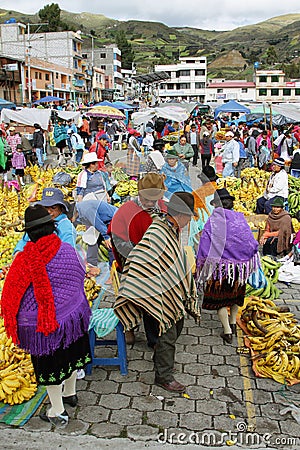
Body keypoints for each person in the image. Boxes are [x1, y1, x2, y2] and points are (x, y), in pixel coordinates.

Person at [1, 204, 91, 427]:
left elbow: (12, 294)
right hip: (72, 319)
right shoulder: (67, 250)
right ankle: (70, 394)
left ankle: (57, 411)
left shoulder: (24, 260)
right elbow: (80, 275)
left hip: (46, 326)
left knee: (51, 364)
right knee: (71, 357)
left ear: (29, 234)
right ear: (53, 227)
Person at [114, 192, 201, 392]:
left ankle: (162, 358)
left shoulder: (170, 228)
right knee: (169, 329)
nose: (189, 221)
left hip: (166, 286)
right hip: (156, 288)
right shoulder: (159, 231)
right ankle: (163, 376)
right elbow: (139, 255)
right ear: (182, 215)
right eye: (190, 217)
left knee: (176, 325)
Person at [109, 173, 167, 345]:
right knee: (130, 298)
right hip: (131, 262)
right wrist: (137, 257)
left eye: (154, 200)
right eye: (147, 199)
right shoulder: (126, 210)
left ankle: (154, 337)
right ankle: (129, 327)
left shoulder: (163, 208)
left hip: (156, 264)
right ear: (140, 194)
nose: (150, 203)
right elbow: (117, 239)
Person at [196, 188, 259, 344]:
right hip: (238, 269)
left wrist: (202, 263)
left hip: (220, 269)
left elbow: (205, 243)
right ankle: (232, 322)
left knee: (220, 300)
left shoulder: (214, 220)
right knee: (235, 296)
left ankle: (227, 331)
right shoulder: (240, 218)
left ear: (217, 205)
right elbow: (250, 241)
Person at [14, 187, 77, 254]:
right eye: (46, 207)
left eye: (53, 207)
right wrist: (18, 251)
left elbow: (68, 254)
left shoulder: (67, 228)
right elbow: (24, 240)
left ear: (61, 208)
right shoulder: (38, 221)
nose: (49, 211)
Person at [73, 199, 117, 271]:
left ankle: (113, 272)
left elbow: (98, 223)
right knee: (93, 241)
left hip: (113, 219)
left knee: (111, 245)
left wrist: (106, 237)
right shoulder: (78, 209)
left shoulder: (86, 210)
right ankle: (92, 265)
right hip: (103, 221)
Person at [188, 165, 218, 249]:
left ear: (201, 179)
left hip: (204, 233)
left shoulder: (196, 195)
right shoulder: (222, 191)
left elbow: (194, 222)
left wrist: (190, 245)